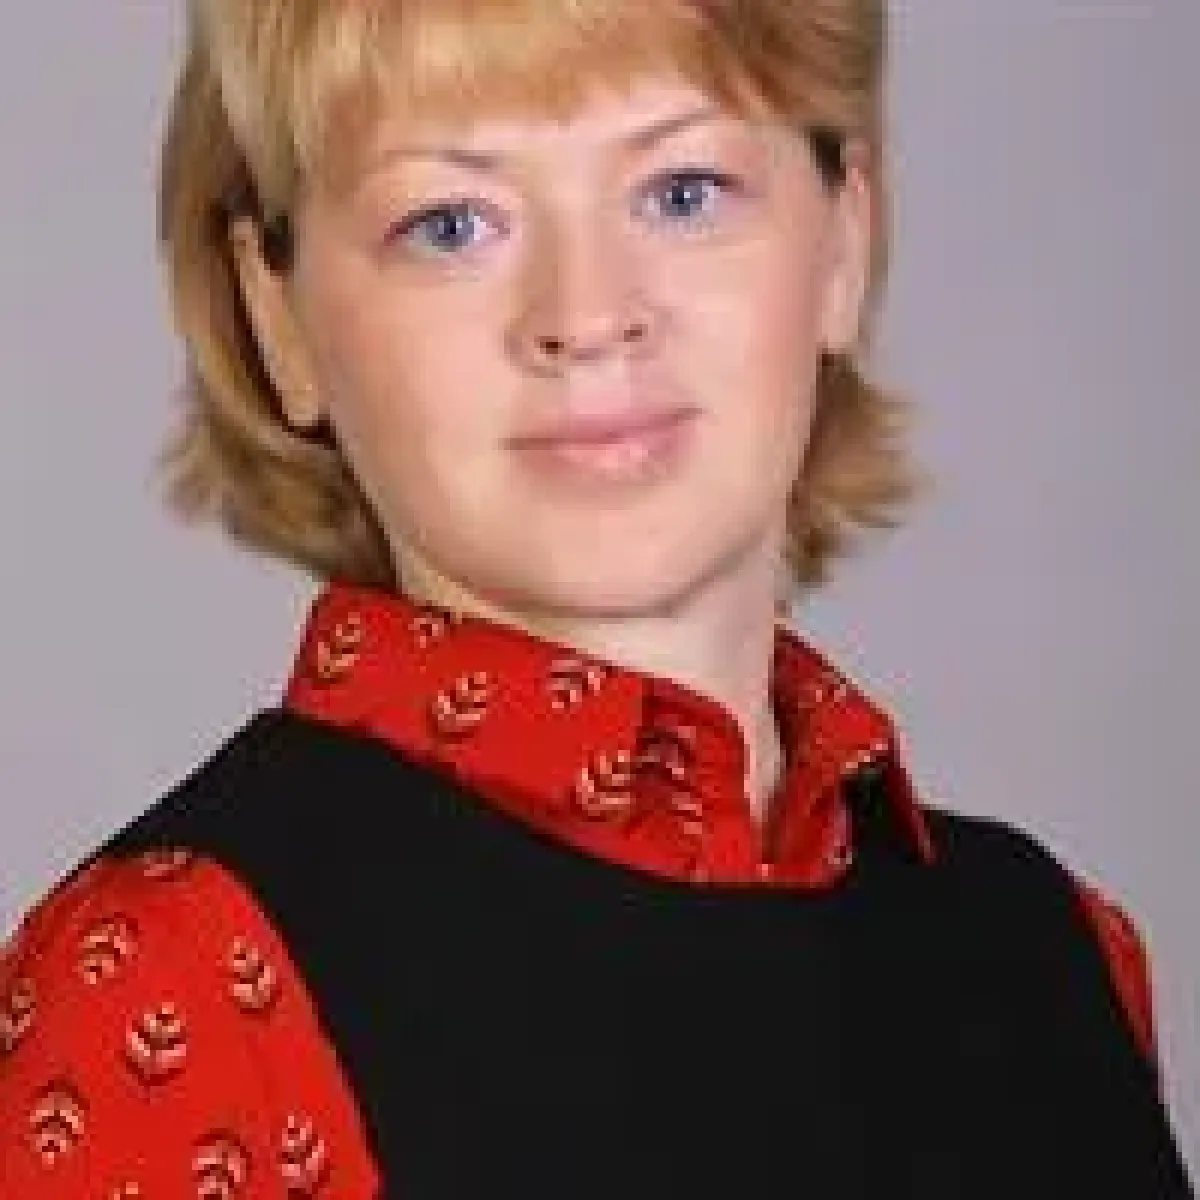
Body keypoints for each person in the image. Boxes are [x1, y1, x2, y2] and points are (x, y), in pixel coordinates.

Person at [1, 0, 1192, 1194]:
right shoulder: (173, 989)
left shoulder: (1055, 948)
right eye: (451, 224)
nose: (587, 316)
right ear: (279, 319)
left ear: (842, 237)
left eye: (682, 193)